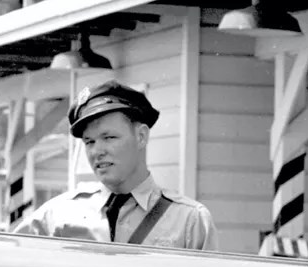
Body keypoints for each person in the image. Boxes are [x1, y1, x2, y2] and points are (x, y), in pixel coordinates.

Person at [13, 80, 218, 250]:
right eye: (89, 141)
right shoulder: (57, 216)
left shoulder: (188, 220)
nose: (97, 151)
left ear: (141, 136)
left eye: (109, 137)